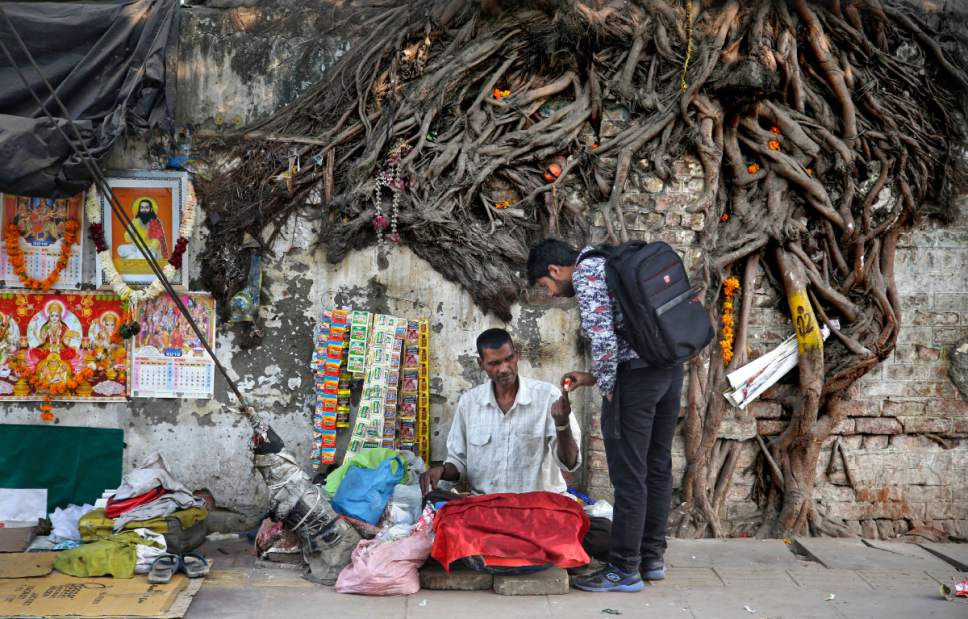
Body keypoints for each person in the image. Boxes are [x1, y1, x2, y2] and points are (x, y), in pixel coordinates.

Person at [527, 239, 684, 593]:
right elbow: (628, 333)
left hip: (637, 381)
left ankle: (624, 569)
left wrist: (611, 390)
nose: (550, 293)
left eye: (545, 285)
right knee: (657, 465)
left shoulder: (586, 275)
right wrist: (594, 377)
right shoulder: (610, 259)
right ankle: (651, 558)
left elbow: (604, 341)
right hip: (669, 369)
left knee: (629, 475)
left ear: (554, 270)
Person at [419, 328, 581, 496]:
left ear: (516, 355)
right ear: (481, 364)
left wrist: (562, 425)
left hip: (538, 507)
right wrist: (441, 471)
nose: (504, 368)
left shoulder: (548, 396)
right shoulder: (469, 403)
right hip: (487, 506)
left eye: (509, 359)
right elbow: (458, 463)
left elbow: (570, 463)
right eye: (494, 363)